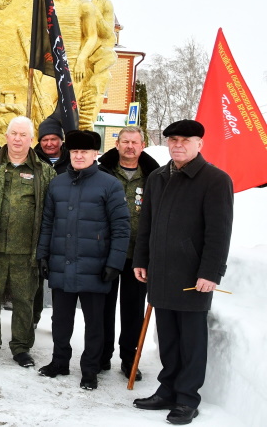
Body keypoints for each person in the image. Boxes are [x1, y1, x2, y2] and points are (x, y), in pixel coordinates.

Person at [132, 120, 233, 425]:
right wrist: (142, 259)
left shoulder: (215, 180)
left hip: (193, 277)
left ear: (199, 144)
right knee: (169, 337)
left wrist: (211, 273)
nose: (178, 145)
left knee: (191, 340)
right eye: (173, 140)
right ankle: (167, 390)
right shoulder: (158, 177)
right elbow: (146, 224)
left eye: (185, 140)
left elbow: (219, 232)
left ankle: (187, 398)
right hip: (161, 272)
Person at [36, 130, 130, 390]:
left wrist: (114, 262)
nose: (78, 156)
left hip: (95, 267)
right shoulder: (57, 184)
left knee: (94, 323)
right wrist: (43, 254)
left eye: (84, 152)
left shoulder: (110, 185)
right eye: (75, 151)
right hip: (62, 264)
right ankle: (59, 362)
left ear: (94, 154)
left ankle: (90, 370)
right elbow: (47, 223)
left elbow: (121, 227)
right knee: (60, 320)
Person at [0, 116, 56, 367]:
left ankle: (21, 347)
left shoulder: (44, 172)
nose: (17, 139)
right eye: (13, 133)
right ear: (6, 136)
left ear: (31, 139)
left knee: (25, 301)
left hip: (27, 251)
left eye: (23, 135)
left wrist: (45, 247)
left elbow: (52, 211)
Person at [98, 126, 159, 380]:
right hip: (107, 253)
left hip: (138, 255)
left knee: (133, 309)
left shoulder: (154, 176)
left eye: (135, 142)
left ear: (142, 145)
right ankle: (101, 355)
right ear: (117, 144)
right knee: (103, 307)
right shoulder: (103, 172)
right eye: (125, 142)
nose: (130, 146)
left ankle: (129, 358)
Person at [32, 116, 70, 328]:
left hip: (63, 226)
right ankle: (34, 317)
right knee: (35, 275)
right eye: (44, 139)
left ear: (61, 140)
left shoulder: (71, 161)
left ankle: (59, 319)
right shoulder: (34, 159)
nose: (49, 143)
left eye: (54, 138)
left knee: (58, 278)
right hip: (38, 225)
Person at [50, 0, 98, 130]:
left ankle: (67, 147)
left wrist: (81, 60)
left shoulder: (84, 6)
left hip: (73, 64)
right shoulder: (51, 6)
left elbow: (91, 36)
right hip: (51, 63)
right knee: (44, 103)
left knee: (69, 110)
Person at [73, 0, 117, 129]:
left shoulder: (104, 4)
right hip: (72, 55)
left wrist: (92, 11)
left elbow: (107, 33)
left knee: (92, 94)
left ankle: (84, 133)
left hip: (95, 57)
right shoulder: (71, 1)